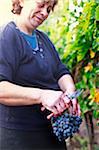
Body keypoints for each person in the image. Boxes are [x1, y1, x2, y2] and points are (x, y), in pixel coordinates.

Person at [0, 0, 81, 149]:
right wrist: (42, 96)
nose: (45, 13)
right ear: (22, 1)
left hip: (51, 133)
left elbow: (60, 71)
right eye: (41, 4)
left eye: (49, 9)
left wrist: (70, 91)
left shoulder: (43, 39)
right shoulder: (7, 36)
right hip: (20, 137)